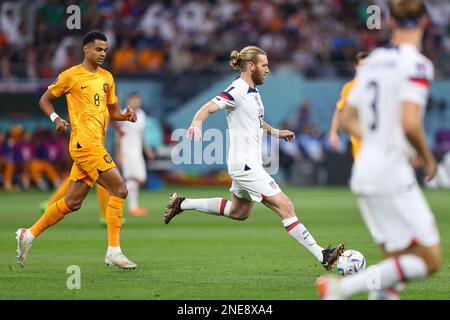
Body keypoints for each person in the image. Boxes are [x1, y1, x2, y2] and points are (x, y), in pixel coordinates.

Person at [163, 46, 344, 271]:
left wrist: (277, 132)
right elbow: (209, 107)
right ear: (251, 66)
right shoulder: (236, 89)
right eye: (264, 65)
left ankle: (182, 203)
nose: (268, 70)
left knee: (239, 212)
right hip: (246, 166)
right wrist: (196, 123)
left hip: (246, 164)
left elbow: (256, 121)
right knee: (286, 206)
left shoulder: (253, 93)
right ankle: (323, 255)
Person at [317, 0, 441, 299]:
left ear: (392, 23)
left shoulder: (372, 61)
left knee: (396, 265)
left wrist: (377, 139)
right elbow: (410, 123)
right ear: (425, 23)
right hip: (391, 172)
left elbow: (347, 119)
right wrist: (427, 158)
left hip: (364, 171)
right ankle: (339, 289)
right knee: (430, 259)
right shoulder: (419, 64)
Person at [16, 31, 138, 269]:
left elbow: (112, 112)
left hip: (95, 143)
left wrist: (125, 116)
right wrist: (56, 119)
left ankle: (27, 235)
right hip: (84, 143)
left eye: (105, 50)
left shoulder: (107, 78)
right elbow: (44, 100)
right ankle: (114, 251)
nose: (102, 53)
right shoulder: (70, 76)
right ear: (86, 49)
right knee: (120, 190)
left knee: (72, 203)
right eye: (98, 49)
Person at [117, 92, 155, 216]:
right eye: (133, 100)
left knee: (139, 178)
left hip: (138, 150)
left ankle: (120, 198)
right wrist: (120, 153)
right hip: (127, 150)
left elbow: (141, 135)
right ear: (128, 101)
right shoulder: (124, 114)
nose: (136, 102)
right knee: (135, 178)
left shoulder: (142, 115)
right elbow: (119, 135)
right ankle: (131, 206)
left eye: (137, 100)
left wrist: (147, 149)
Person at [329, 51, 368, 159]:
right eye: (362, 65)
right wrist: (333, 133)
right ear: (356, 67)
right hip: (359, 137)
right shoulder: (350, 87)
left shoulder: (380, 86)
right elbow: (339, 110)